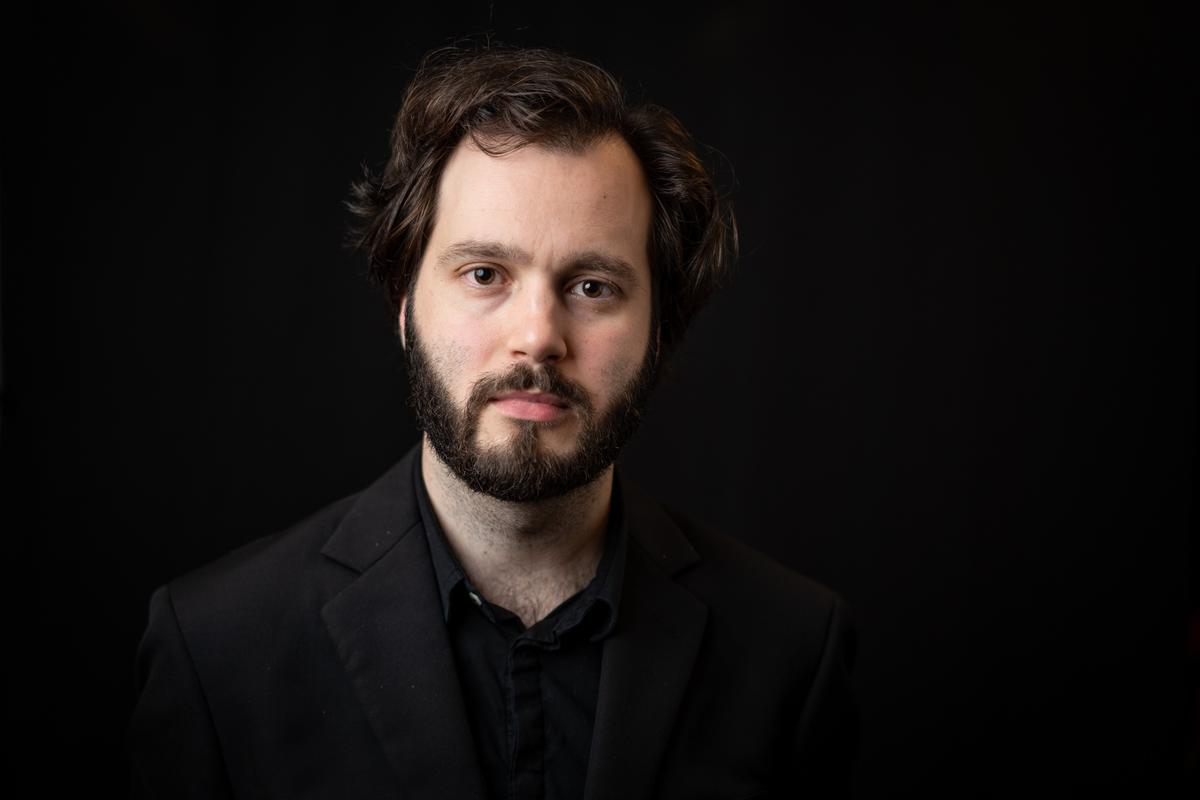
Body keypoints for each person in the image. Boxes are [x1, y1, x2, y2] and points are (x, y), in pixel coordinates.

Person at [128, 45, 858, 799]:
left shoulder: (792, 649)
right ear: (405, 308)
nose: (538, 337)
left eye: (592, 286)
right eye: (484, 274)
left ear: (659, 332)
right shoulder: (215, 646)